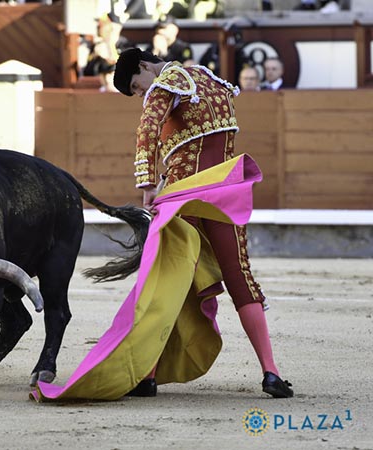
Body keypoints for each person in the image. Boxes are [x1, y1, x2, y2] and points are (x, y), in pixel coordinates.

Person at [112, 48, 293, 398]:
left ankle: (147, 375)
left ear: (145, 66)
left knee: (167, 279)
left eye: (136, 86)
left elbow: (148, 127)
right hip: (225, 195)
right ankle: (271, 373)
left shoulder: (168, 81)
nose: (140, 95)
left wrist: (148, 184)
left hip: (185, 197)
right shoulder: (211, 80)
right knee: (241, 277)